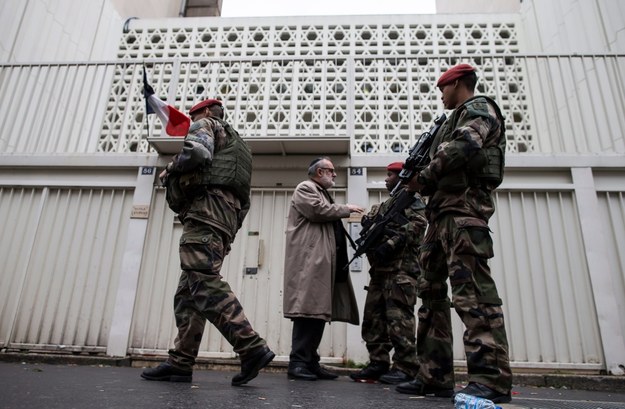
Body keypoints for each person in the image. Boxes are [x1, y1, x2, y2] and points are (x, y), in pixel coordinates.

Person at [396, 63, 513, 403]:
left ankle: (490, 378)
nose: (440, 95)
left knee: (473, 294)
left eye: (443, 88)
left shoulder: (478, 108)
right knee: (429, 295)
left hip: (464, 213)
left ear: (459, 83)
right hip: (440, 216)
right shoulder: (448, 122)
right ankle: (434, 375)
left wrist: (425, 178)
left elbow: (466, 146)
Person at [141, 99, 274, 386]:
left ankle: (250, 346)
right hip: (224, 220)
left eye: (192, 116)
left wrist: (170, 168)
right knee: (187, 292)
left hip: (206, 213)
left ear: (203, 112)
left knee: (202, 280)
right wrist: (230, 230)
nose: (191, 122)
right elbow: (245, 198)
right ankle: (180, 363)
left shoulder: (207, 124)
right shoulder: (241, 148)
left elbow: (197, 153)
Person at [283, 157, 365, 381]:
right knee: (306, 312)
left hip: (321, 264)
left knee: (317, 313)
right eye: (331, 170)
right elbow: (317, 211)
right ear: (319, 172)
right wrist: (345, 209)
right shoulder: (306, 188)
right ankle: (298, 362)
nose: (335, 174)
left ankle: (310, 362)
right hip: (310, 264)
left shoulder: (320, 190)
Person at [349, 162, 427, 385]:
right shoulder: (384, 205)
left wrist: (390, 244)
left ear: (402, 177)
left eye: (390, 175)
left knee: (399, 320)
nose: (386, 178)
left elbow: (417, 226)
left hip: (402, 271)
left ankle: (406, 366)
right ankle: (378, 362)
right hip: (380, 272)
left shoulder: (413, 200)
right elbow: (372, 224)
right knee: (373, 319)